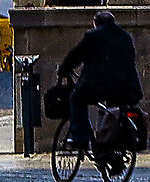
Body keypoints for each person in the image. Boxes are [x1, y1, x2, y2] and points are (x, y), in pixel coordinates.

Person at [56, 9, 141, 151]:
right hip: (128, 87)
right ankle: (109, 148)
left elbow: (75, 56)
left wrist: (63, 69)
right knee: (114, 110)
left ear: (96, 23)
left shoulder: (93, 36)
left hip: (99, 85)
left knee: (76, 99)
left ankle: (79, 138)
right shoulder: (126, 37)